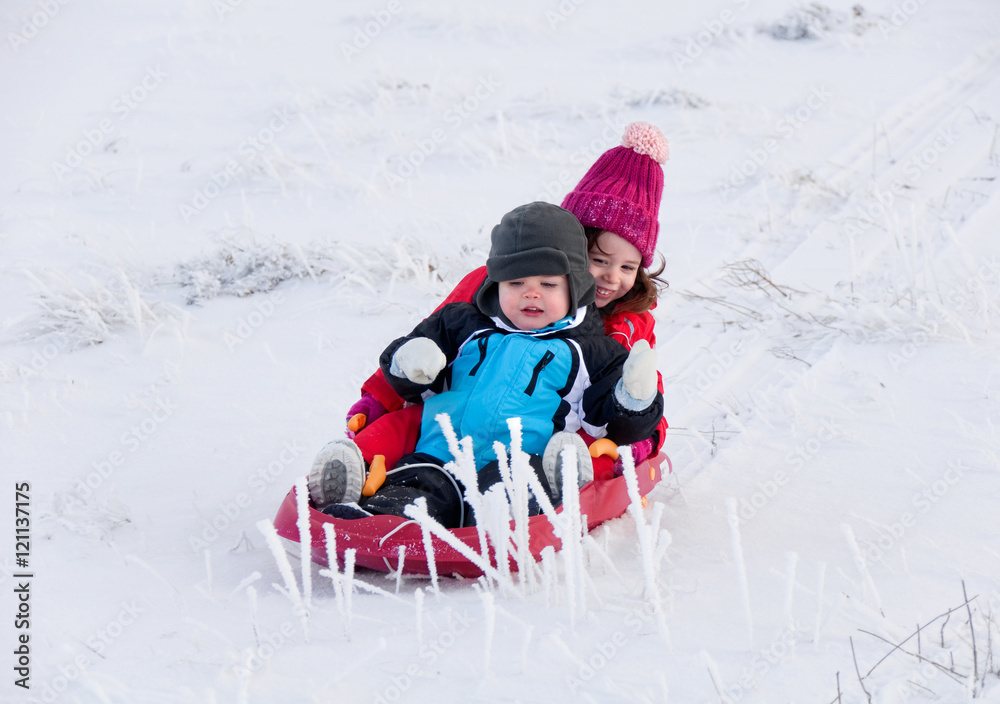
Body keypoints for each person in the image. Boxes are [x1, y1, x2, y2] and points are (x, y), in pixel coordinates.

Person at [341, 122, 671, 482]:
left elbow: (642, 386)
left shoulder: (630, 321)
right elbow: (427, 341)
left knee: (581, 449)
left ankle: (553, 490)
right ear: (570, 253)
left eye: (628, 266)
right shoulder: (496, 288)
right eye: (600, 260)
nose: (611, 277)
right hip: (461, 414)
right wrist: (379, 398)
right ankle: (360, 469)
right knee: (406, 425)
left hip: (549, 433)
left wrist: (642, 441)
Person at [308, 202, 663, 528]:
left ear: (576, 288)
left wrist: (632, 398)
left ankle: (513, 516)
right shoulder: (462, 324)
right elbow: (411, 375)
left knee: (516, 483)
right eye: (516, 282)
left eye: (548, 284)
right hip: (439, 454)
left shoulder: (590, 351)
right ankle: (377, 520)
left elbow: (605, 416)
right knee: (413, 484)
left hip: (521, 457)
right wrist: (412, 363)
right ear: (495, 285)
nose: (531, 293)